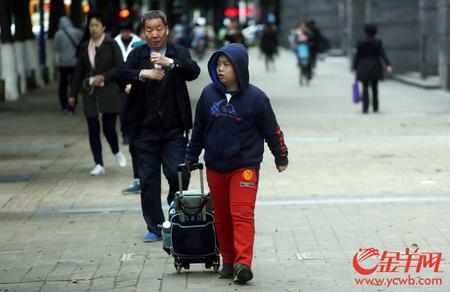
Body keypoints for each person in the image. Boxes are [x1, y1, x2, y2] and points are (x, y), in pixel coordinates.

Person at [185, 43, 288, 284]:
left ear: (239, 67)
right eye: (218, 65)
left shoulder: (256, 98)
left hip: (245, 166)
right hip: (215, 166)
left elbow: (271, 130)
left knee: (241, 213)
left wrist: (280, 156)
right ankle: (228, 261)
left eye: (226, 64)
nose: (220, 69)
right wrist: (191, 155)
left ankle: (243, 263)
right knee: (221, 216)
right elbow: (198, 128)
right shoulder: (209, 94)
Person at [116, 10, 200, 242]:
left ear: (167, 30)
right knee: (149, 179)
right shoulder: (137, 54)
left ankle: (174, 207)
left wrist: (169, 63)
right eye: (149, 30)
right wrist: (144, 74)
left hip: (174, 129)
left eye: (158, 29)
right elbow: (121, 74)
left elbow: (193, 71)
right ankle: (155, 225)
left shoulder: (178, 52)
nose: (154, 34)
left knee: (178, 173)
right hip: (144, 130)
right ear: (143, 33)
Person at [69, 12, 127, 176]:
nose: (93, 28)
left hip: (108, 92)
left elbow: (120, 68)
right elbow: (78, 72)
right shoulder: (84, 47)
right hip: (89, 94)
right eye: (91, 25)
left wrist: (103, 77)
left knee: (109, 128)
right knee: (93, 128)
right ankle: (98, 163)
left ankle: (116, 151)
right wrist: (72, 94)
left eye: (96, 25)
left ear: (103, 27)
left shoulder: (111, 45)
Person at [114, 21, 142, 195]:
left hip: (143, 100)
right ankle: (138, 178)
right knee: (125, 117)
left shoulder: (140, 44)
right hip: (125, 89)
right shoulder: (115, 42)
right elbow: (120, 70)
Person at [353, 23, 393, 113]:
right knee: (375, 87)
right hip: (375, 65)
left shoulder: (360, 42)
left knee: (365, 87)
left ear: (365, 31)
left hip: (363, 66)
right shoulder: (378, 42)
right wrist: (388, 65)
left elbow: (357, 56)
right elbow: (383, 54)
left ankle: (365, 108)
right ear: (375, 32)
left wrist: (354, 67)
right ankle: (375, 107)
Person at [54, 16, 83, 115]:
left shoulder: (58, 34)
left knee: (63, 86)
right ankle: (72, 106)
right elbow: (82, 45)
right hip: (75, 63)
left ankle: (64, 106)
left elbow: (56, 48)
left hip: (63, 64)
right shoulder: (77, 32)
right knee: (74, 86)